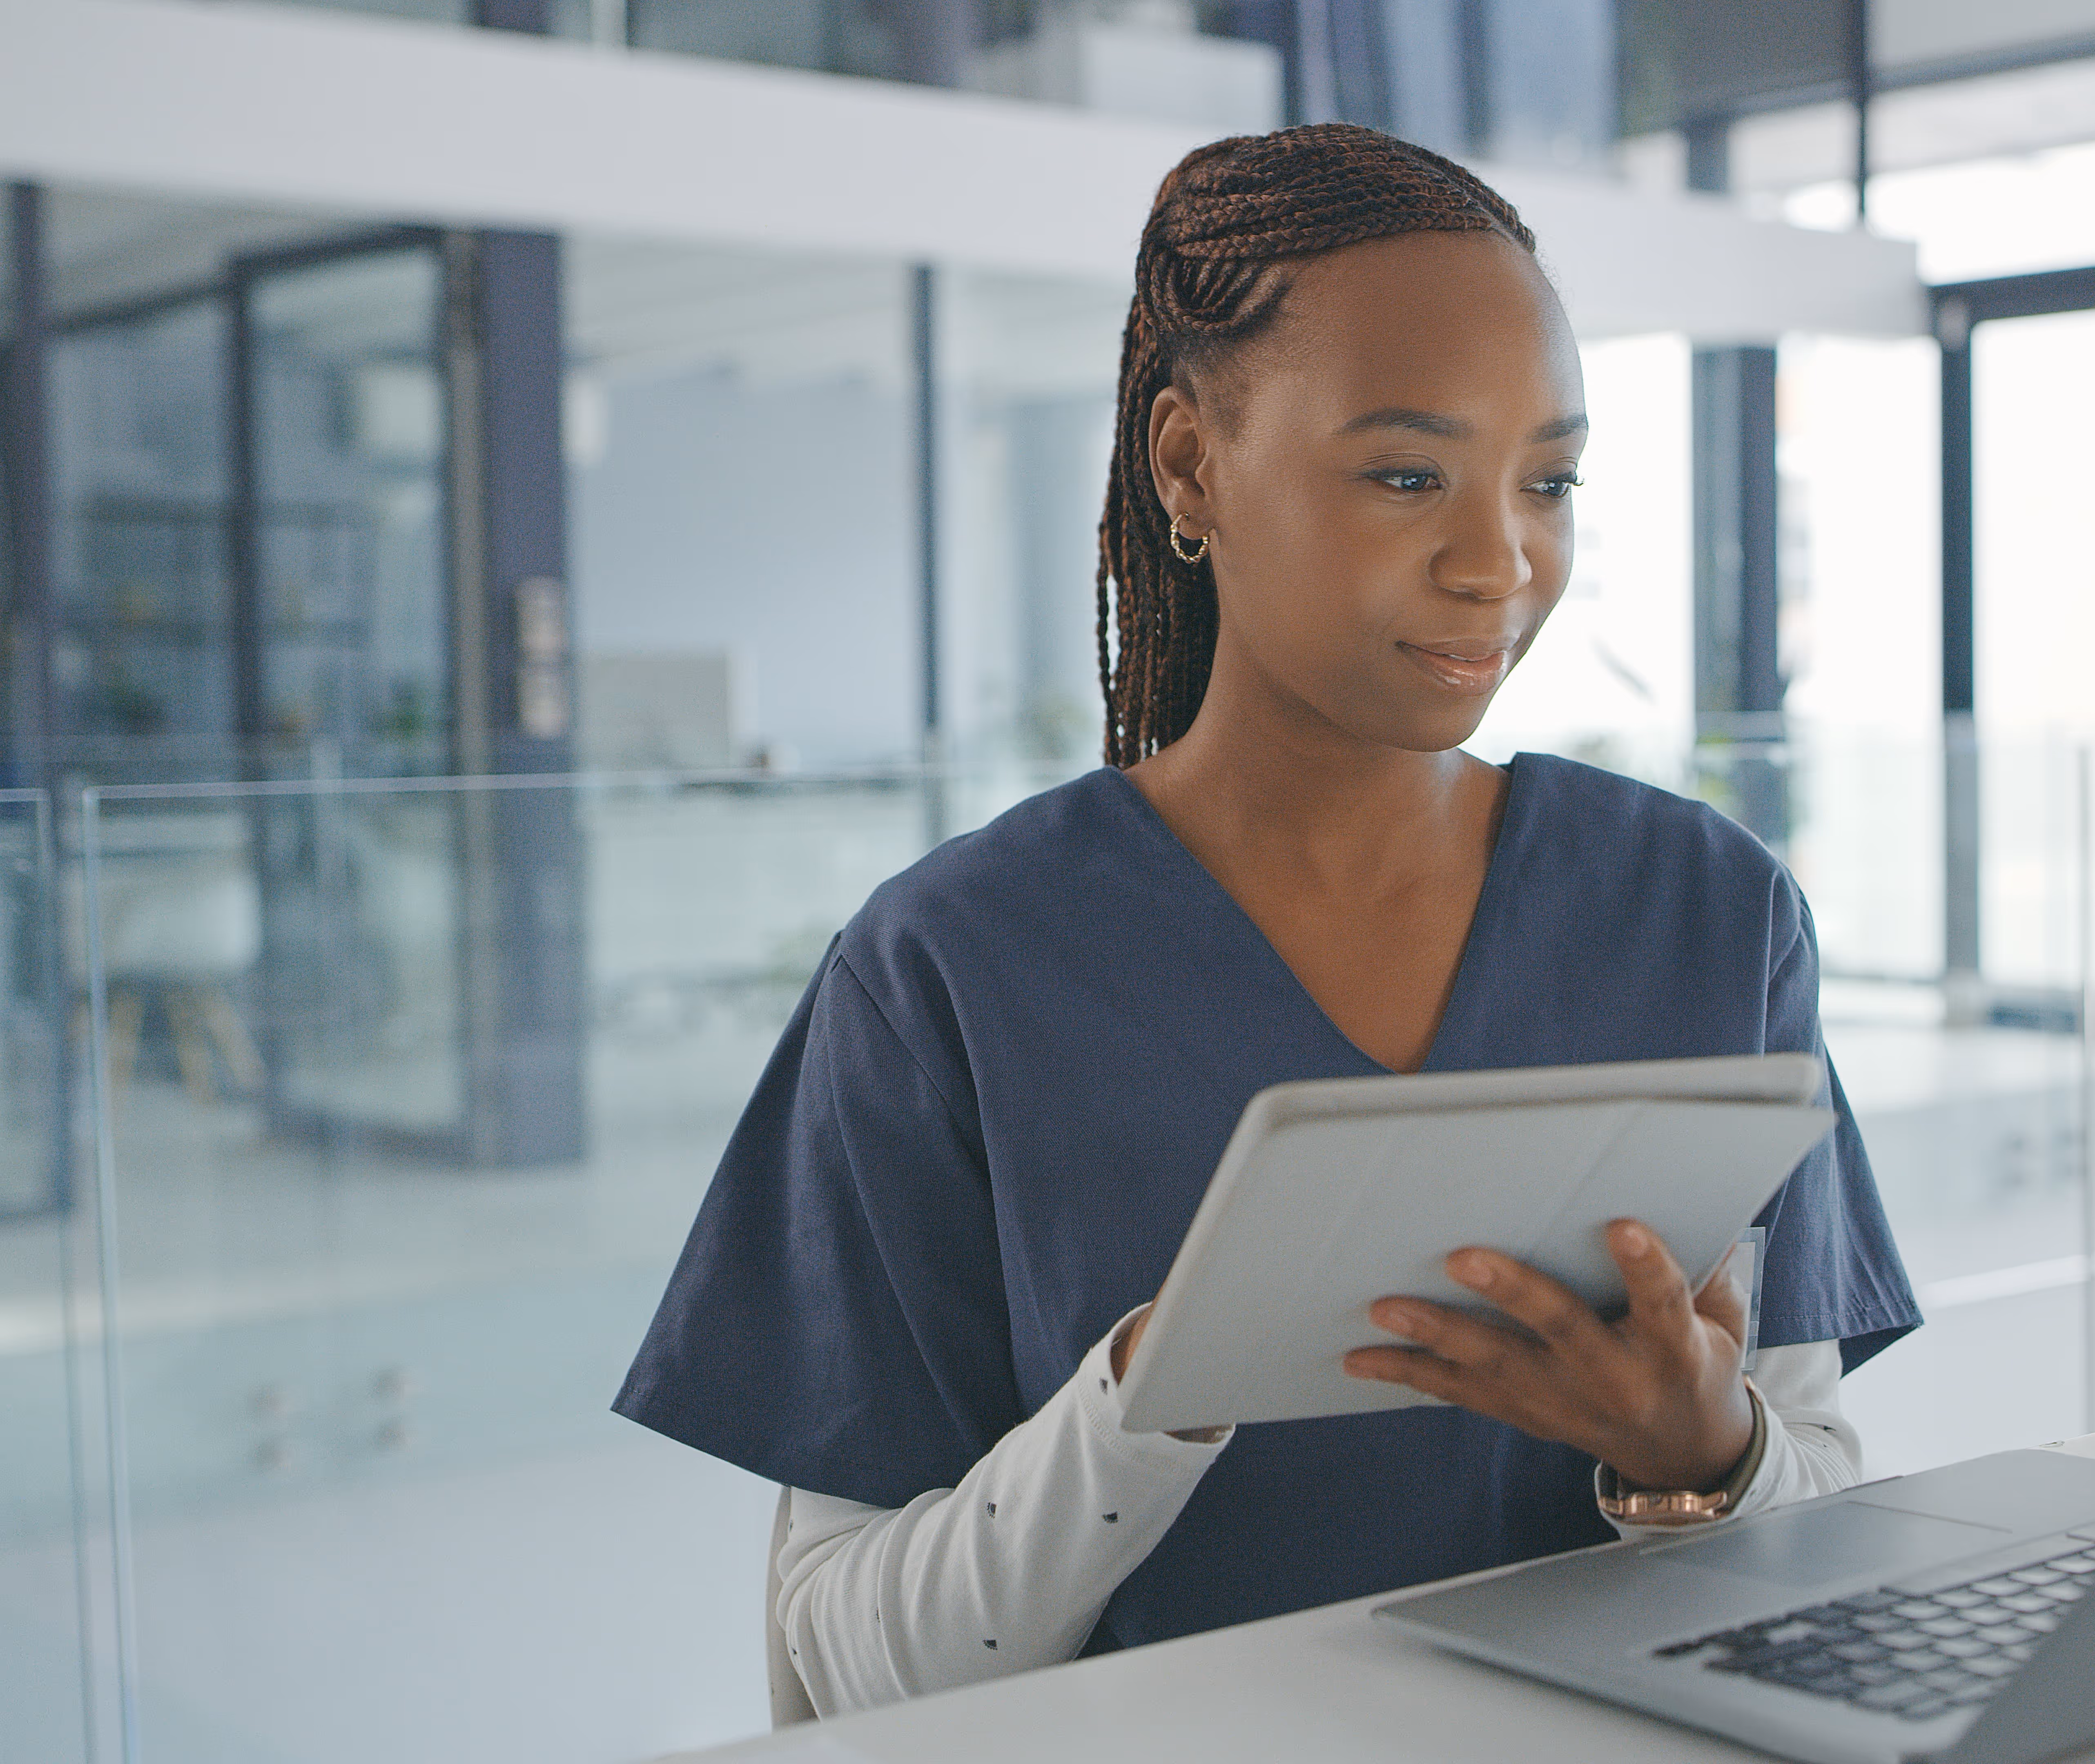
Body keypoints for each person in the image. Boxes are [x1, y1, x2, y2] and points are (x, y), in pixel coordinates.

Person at [613, 122, 1920, 1718]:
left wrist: (1701, 1461)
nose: (1498, 558)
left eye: (1549, 480)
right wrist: (1150, 1397)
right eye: (1403, 476)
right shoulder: (949, 968)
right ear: (1187, 467)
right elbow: (839, 1662)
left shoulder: (1708, 914)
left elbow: (1830, 1540)